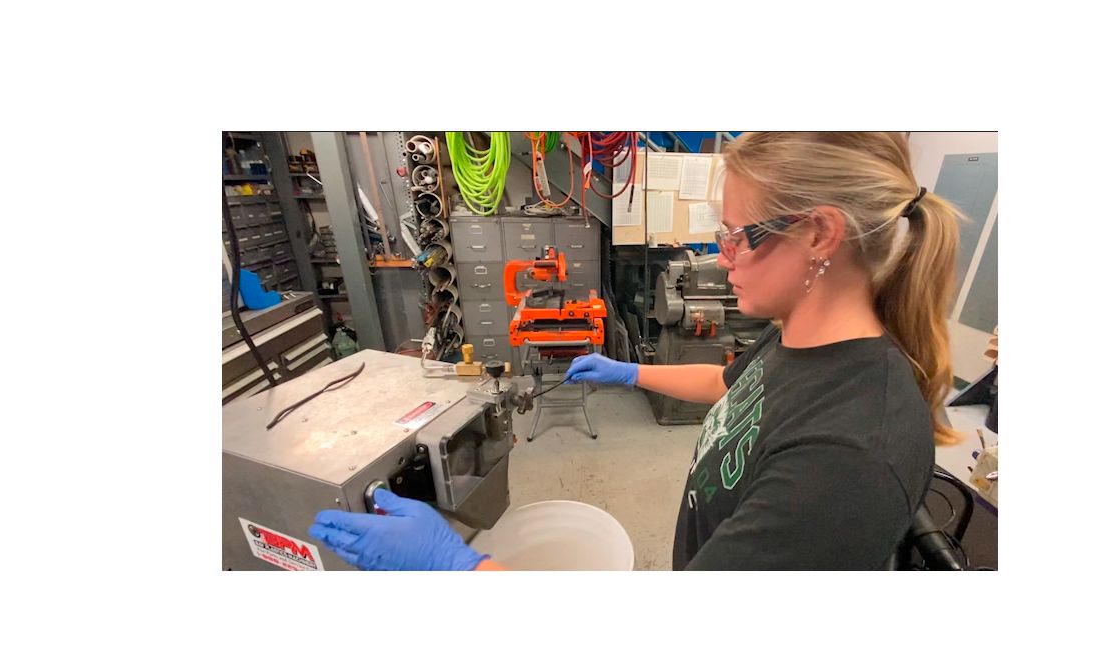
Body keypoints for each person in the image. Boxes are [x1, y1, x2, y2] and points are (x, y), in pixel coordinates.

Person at [309, 131, 963, 570]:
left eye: (737, 236)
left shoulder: (849, 457)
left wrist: (458, 567)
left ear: (820, 234)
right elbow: (731, 386)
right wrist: (630, 371)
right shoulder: (798, 334)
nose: (722, 257)